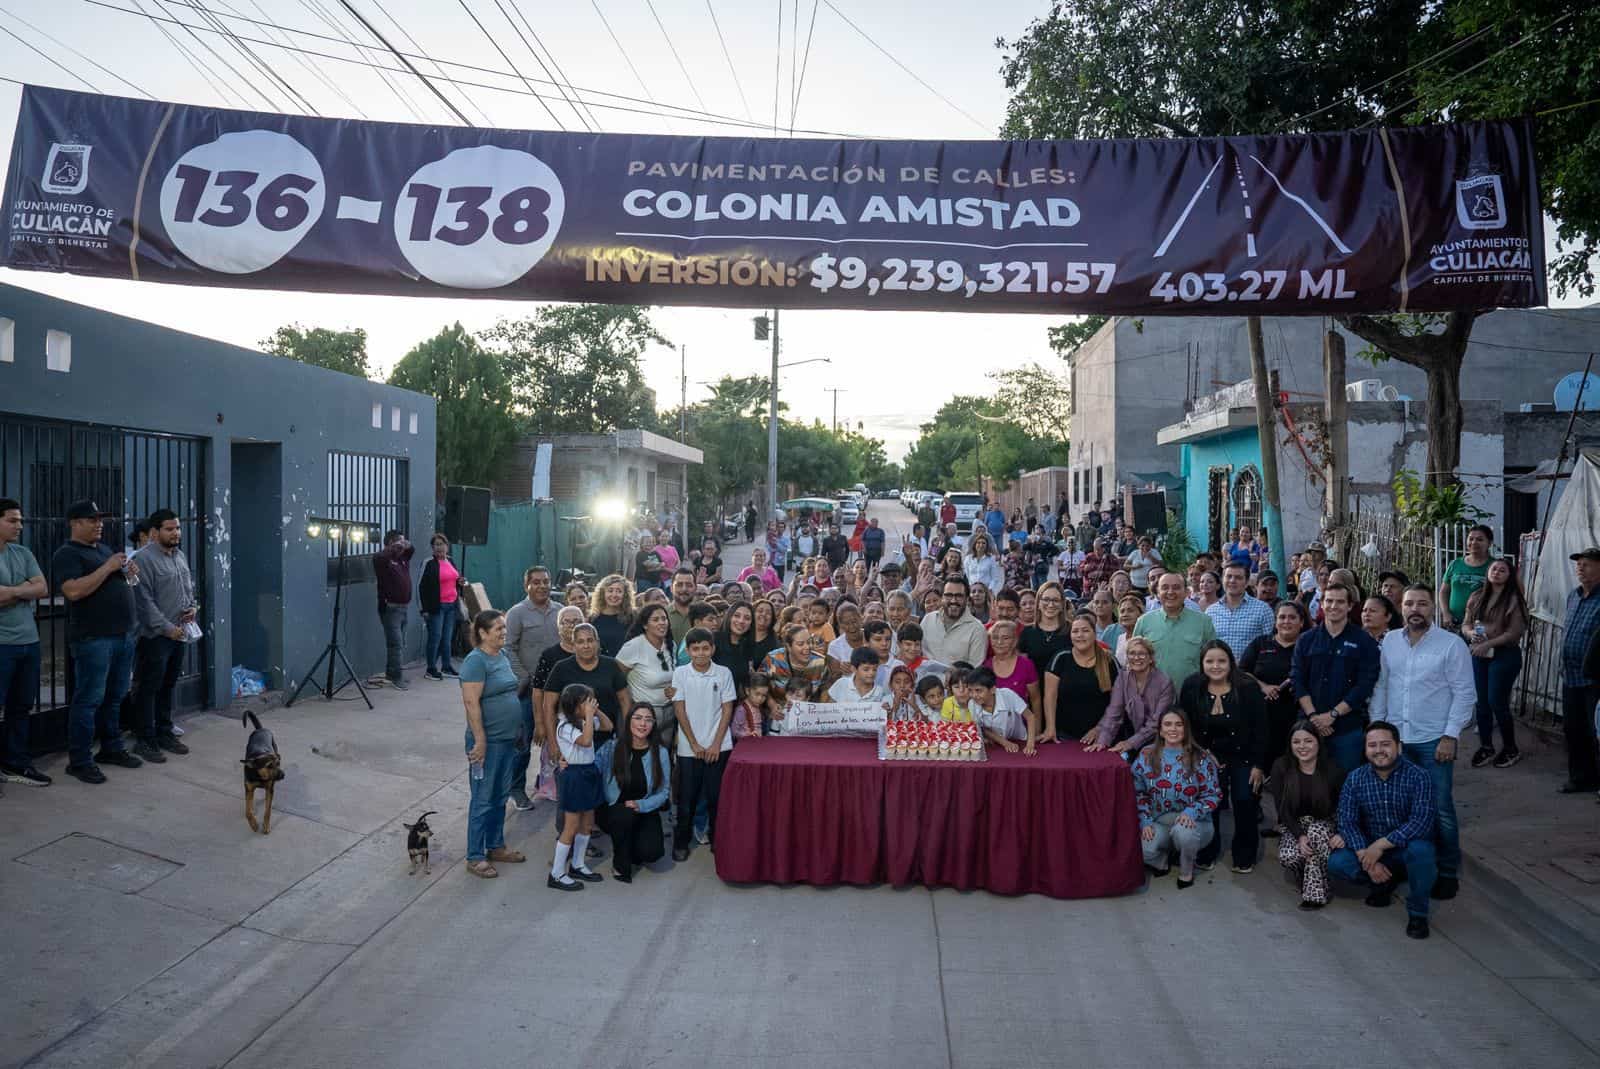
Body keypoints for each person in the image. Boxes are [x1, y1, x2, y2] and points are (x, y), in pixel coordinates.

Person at [1370, 584, 1475, 901]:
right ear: (1400, 608)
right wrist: (1377, 730)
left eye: (1422, 604)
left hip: (1433, 741)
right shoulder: (1390, 641)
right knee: (1397, 808)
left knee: (1439, 808)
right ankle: (1402, 866)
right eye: (1409, 603)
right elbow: (1382, 687)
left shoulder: (1451, 645)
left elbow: (1465, 693)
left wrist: (1450, 735)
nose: (1415, 609)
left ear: (1432, 608)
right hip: (1396, 740)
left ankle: (1446, 872)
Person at [51, 501, 143, 783]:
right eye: (92, 520)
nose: (99, 524)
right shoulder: (67, 554)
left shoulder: (102, 550)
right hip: (94, 639)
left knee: (114, 697)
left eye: (100, 519)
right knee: (89, 700)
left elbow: (121, 582)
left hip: (122, 635)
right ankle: (79, 760)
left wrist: (129, 571)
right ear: (75, 523)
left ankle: (111, 748)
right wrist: (108, 567)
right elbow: (74, 591)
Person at [1327, 721, 1437, 939]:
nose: (1379, 751)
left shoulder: (1419, 776)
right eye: (1372, 745)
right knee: (1337, 862)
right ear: (1365, 749)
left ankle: (1417, 913)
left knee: (1422, 852)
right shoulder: (1355, 778)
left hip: (1404, 847)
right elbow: (1347, 821)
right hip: (1370, 848)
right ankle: (1382, 882)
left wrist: (1380, 845)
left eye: (1385, 744)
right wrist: (1366, 857)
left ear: (1399, 746)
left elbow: (1421, 821)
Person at [1180, 640, 1268, 874]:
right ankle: (1207, 852)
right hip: (1206, 755)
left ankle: (1244, 856)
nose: (1215, 666)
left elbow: (1261, 729)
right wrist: (1200, 752)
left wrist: (1259, 765)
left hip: (1244, 756)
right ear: (1202, 664)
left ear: (1231, 663)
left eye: (1221, 661)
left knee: (1244, 801)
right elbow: (1185, 726)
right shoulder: (1192, 686)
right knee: (1211, 805)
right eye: (1210, 661)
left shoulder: (1248, 688)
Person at [459, 610, 526, 879]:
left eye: (503, 627)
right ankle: (475, 856)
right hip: (488, 742)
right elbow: (471, 702)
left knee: (499, 796)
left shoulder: (503, 656)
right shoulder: (475, 661)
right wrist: (480, 741)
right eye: (497, 628)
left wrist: (518, 727)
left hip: (508, 739)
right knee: (483, 799)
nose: (503, 631)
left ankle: (495, 845)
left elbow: (510, 691)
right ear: (483, 633)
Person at [1291, 582, 1381, 774]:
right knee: (1310, 785)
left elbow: (1364, 684)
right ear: (1322, 603)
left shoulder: (1364, 642)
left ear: (1349, 606)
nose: (1334, 606)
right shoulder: (1306, 640)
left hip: (1347, 728)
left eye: (1340, 602)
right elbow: (1297, 680)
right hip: (1308, 727)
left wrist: (1332, 715)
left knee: (1345, 784)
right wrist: (1315, 717)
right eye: (1329, 601)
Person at [129, 509, 196, 762]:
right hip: (155, 637)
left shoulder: (179, 556)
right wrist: (167, 628)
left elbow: (187, 589)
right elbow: (143, 602)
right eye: (170, 529)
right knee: (149, 688)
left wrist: (192, 608)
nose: (176, 533)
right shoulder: (143, 559)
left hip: (179, 634)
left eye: (177, 528)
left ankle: (164, 732)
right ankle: (145, 740)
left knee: (168, 685)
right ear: (155, 532)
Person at [1133, 709, 1221, 887]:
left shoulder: (1201, 757)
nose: (1173, 729)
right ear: (1160, 730)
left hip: (1195, 822)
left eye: (1178, 724)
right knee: (1143, 849)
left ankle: (1186, 869)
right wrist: (1145, 820)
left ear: (1186, 729)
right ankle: (1163, 861)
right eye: (1167, 724)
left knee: (1183, 832)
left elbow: (1213, 794)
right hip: (1160, 820)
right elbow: (1137, 791)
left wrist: (1192, 812)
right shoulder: (1146, 755)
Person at [1268, 721, 1348, 909]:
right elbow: (1282, 808)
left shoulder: (1333, 770)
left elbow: (1345, 807)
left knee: (1315, 833)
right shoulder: (1281, 766)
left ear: (1318, 742)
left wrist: (1342, 832)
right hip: (1296, 823)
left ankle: (1315, 893)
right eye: (1296, 742)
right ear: (1290, 744)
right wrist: (1299, 835)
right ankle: (1306, 872)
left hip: (1326, 822)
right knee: (1288, 855)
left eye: (1308, 741)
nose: (1302, 747)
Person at [671, 628, 736, 859]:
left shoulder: (723, 673)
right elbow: (679, 709)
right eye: (695, 649)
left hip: (718, 746)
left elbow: (727, 709)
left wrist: (716, 744)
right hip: (690, 748)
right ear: (688, 651)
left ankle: (718, 840)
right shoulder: (680, 673)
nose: (700, 653)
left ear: (713, 649)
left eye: (705, 648)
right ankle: (681, 842)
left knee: (716, 797)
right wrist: (694, 744)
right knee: (687, 799)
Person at [0, 499, 49, 786]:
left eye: (20, 521)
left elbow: (42, 587)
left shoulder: (23, 552)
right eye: (12, 520)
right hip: (2, 644)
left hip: (29, 641)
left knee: (21, 706)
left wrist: (11, 592)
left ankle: (15, 763)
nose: (19, 526)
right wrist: (25, 590)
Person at [1462, 557, 1528, 768]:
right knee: (1481, 702)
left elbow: (1514, 633)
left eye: (1502, 570)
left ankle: (1511, 748)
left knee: (1496, 701)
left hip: (1504, 655)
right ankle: (1486, 746)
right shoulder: (1477, 596)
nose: (1497, 572)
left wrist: (1488, 643)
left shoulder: (1514, 600)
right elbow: (1466, 624)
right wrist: (1471, 634)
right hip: (1480, 654)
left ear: (1509, 577)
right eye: (1494, 568)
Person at [594, 703, 670, 883]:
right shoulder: (612, 747)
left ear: (653, 725)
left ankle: (629, 844)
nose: (643, 724)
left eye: (648, 720)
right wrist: (568, 762)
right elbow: (590, 769)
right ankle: (620, 865)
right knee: (623, 817)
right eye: (638, 718)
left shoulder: (660, 752)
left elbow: (664, 792)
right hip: (613, 809)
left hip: (642, 808)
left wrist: (642, 805)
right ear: (628, 721)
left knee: (652, 852)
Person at [1240, 600, 1310, 792]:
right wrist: (1263, 686)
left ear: (1301, 622)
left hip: (1295, 718)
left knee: (1290, 773)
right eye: (1282, 617)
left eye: (1292, 617)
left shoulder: (1307, 646)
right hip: (1262, 717)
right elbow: (1242, 672)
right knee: (1258, 770)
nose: (1286, 621)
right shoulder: (1261, 643)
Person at [548, 683, 612, 890]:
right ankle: (557, 873)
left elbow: (608, 726)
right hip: (574, 775)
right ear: (574, 705)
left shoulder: (585, 720)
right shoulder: (565, 726)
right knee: (571, 825)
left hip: (589, 772)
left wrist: (595, 710)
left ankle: (578, 864)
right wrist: (589, 716)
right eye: (585, 701)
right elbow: (585, 741)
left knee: (587, 823)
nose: (589, 705)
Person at [542, 623, 630, 755]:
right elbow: (548, 706)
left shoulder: (611, 665)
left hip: (607, 739)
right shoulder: (561, 668)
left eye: (590, 640)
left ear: (598, 643)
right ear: (573, 645)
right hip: (572, 741)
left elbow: (625, 701)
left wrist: (628, 734)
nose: (586, 646)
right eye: (580, 641)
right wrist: (553, 743)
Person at [1087, 635, 1171, 757]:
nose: (1136, 658)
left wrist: (1130, 743)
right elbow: (1114, 712)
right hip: (1131, 734)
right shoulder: (1122, 677)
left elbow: (1156, 723)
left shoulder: (1164, 682)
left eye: (1142, 654)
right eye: (1132, 653)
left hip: (1159, 739)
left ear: (1151, 658)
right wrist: (1102, 741)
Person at [1558, 546, 1600, 794]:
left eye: (1587, 563)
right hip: (1570, 674)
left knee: (1597, 732)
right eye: (1578, 563)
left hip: (1595, 677)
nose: (1580, 567)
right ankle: (1581, 778)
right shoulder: (1574, 595)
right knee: (1573, 730)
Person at [1041, 613, 1118, 744]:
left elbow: (1117, 703)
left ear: (1095, 634)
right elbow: (1049, 696)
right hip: (1064, 736)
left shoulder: (1109, 661)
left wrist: (1100, 728)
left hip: (1100, 737)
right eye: (1075, 631)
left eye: (1085, 631)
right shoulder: (1061, 658)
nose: (1080, 635)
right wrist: (1050, 728)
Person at [1133, 571, 1218, 687]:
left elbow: (1214, 661)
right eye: (1165, 588)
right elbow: (1134, 662)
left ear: (1186, 592)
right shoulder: (1143, 622)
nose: (1170, 592)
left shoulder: (1204, 622)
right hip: (1152, 696)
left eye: (1176, 587)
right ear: (1158, 592)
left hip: (1192, 694)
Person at [616, 604, 676, 722]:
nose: (662, 622)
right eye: (655, 620)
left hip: (670, 712)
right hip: (643, 716)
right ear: (645, 625)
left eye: (664, 619)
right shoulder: (633, 646)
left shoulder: (671, 645)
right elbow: (617, 679)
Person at [419, 533, 464, 680]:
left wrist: (460, 582)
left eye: (441, 544)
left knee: (447, 638)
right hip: (436, 607)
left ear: (447, 546)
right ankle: (431, 669)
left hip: (451, 605)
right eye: (436, 545)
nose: (439, 547)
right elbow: (421, 586)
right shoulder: (428, 563)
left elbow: (454, 579)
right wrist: (423, 609)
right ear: (432, 548)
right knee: (435, 637)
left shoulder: (450, 561)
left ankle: (446, 667)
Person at [373, 529, 414, 690]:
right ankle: (396, 677)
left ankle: (391, 673)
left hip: (403, 607)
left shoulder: (403, 558)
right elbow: (380, 557)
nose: (402, 546)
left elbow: (411, 549)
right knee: (395, 644)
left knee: (400, 643)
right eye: (399, 542)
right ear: (390, 543)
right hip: (390, 608)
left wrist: (406, 544)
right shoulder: (383, 559)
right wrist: (393, 547)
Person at [1207, 562, 1275, 657]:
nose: (1232, 581)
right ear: (1222, 580)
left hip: (1249, 670)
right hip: (1218, 668)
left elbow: (1269, 646)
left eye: (1238, 577)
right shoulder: (1210, 611)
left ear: (1247, 582)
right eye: (1228, 576)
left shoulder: (1263, 610)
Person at [921, 575, 989, 667]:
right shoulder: (928, 620)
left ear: (967, 599)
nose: (953, 600)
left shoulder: (977, 629)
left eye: (959, 596)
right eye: (948, 595)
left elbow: (974, 671)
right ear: (942, 598)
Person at [969, 666, 1037, 754]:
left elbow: (1030, 717)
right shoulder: (972, 704)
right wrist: (1005, 743)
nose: (974, 695)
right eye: (970, 690)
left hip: (1020, 741)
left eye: (978, 691)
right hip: (996, 744)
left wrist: (1030, 745)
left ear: (993, 689)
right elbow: (982, 729)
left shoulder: (1008, 695)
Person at [1438, 524, 1493, 631]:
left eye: (1480, 539)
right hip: (1453, 623)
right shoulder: (1455, 564)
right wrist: (1445, 613)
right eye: (1471, 539)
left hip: (1480, 624)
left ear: (1489, 543)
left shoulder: (1494, 567)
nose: (1474, 542)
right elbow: (1443, 592)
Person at [588, 574, 635, 656]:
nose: (614, 595)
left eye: (619, 591)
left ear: (625, 595)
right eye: (610, 590)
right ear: (603, 593)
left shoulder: (632, 617)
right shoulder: (592, 619)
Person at [963, 530, 1004, 594]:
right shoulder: (968, 559)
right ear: (975, 545)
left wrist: (990, 589)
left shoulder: (991, 559)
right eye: (978, 543)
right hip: (972, 590)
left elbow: (995, 578)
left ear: (987, 546)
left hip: (986, 590)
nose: (981, 545)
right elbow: (967, 575)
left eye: (983, 543)